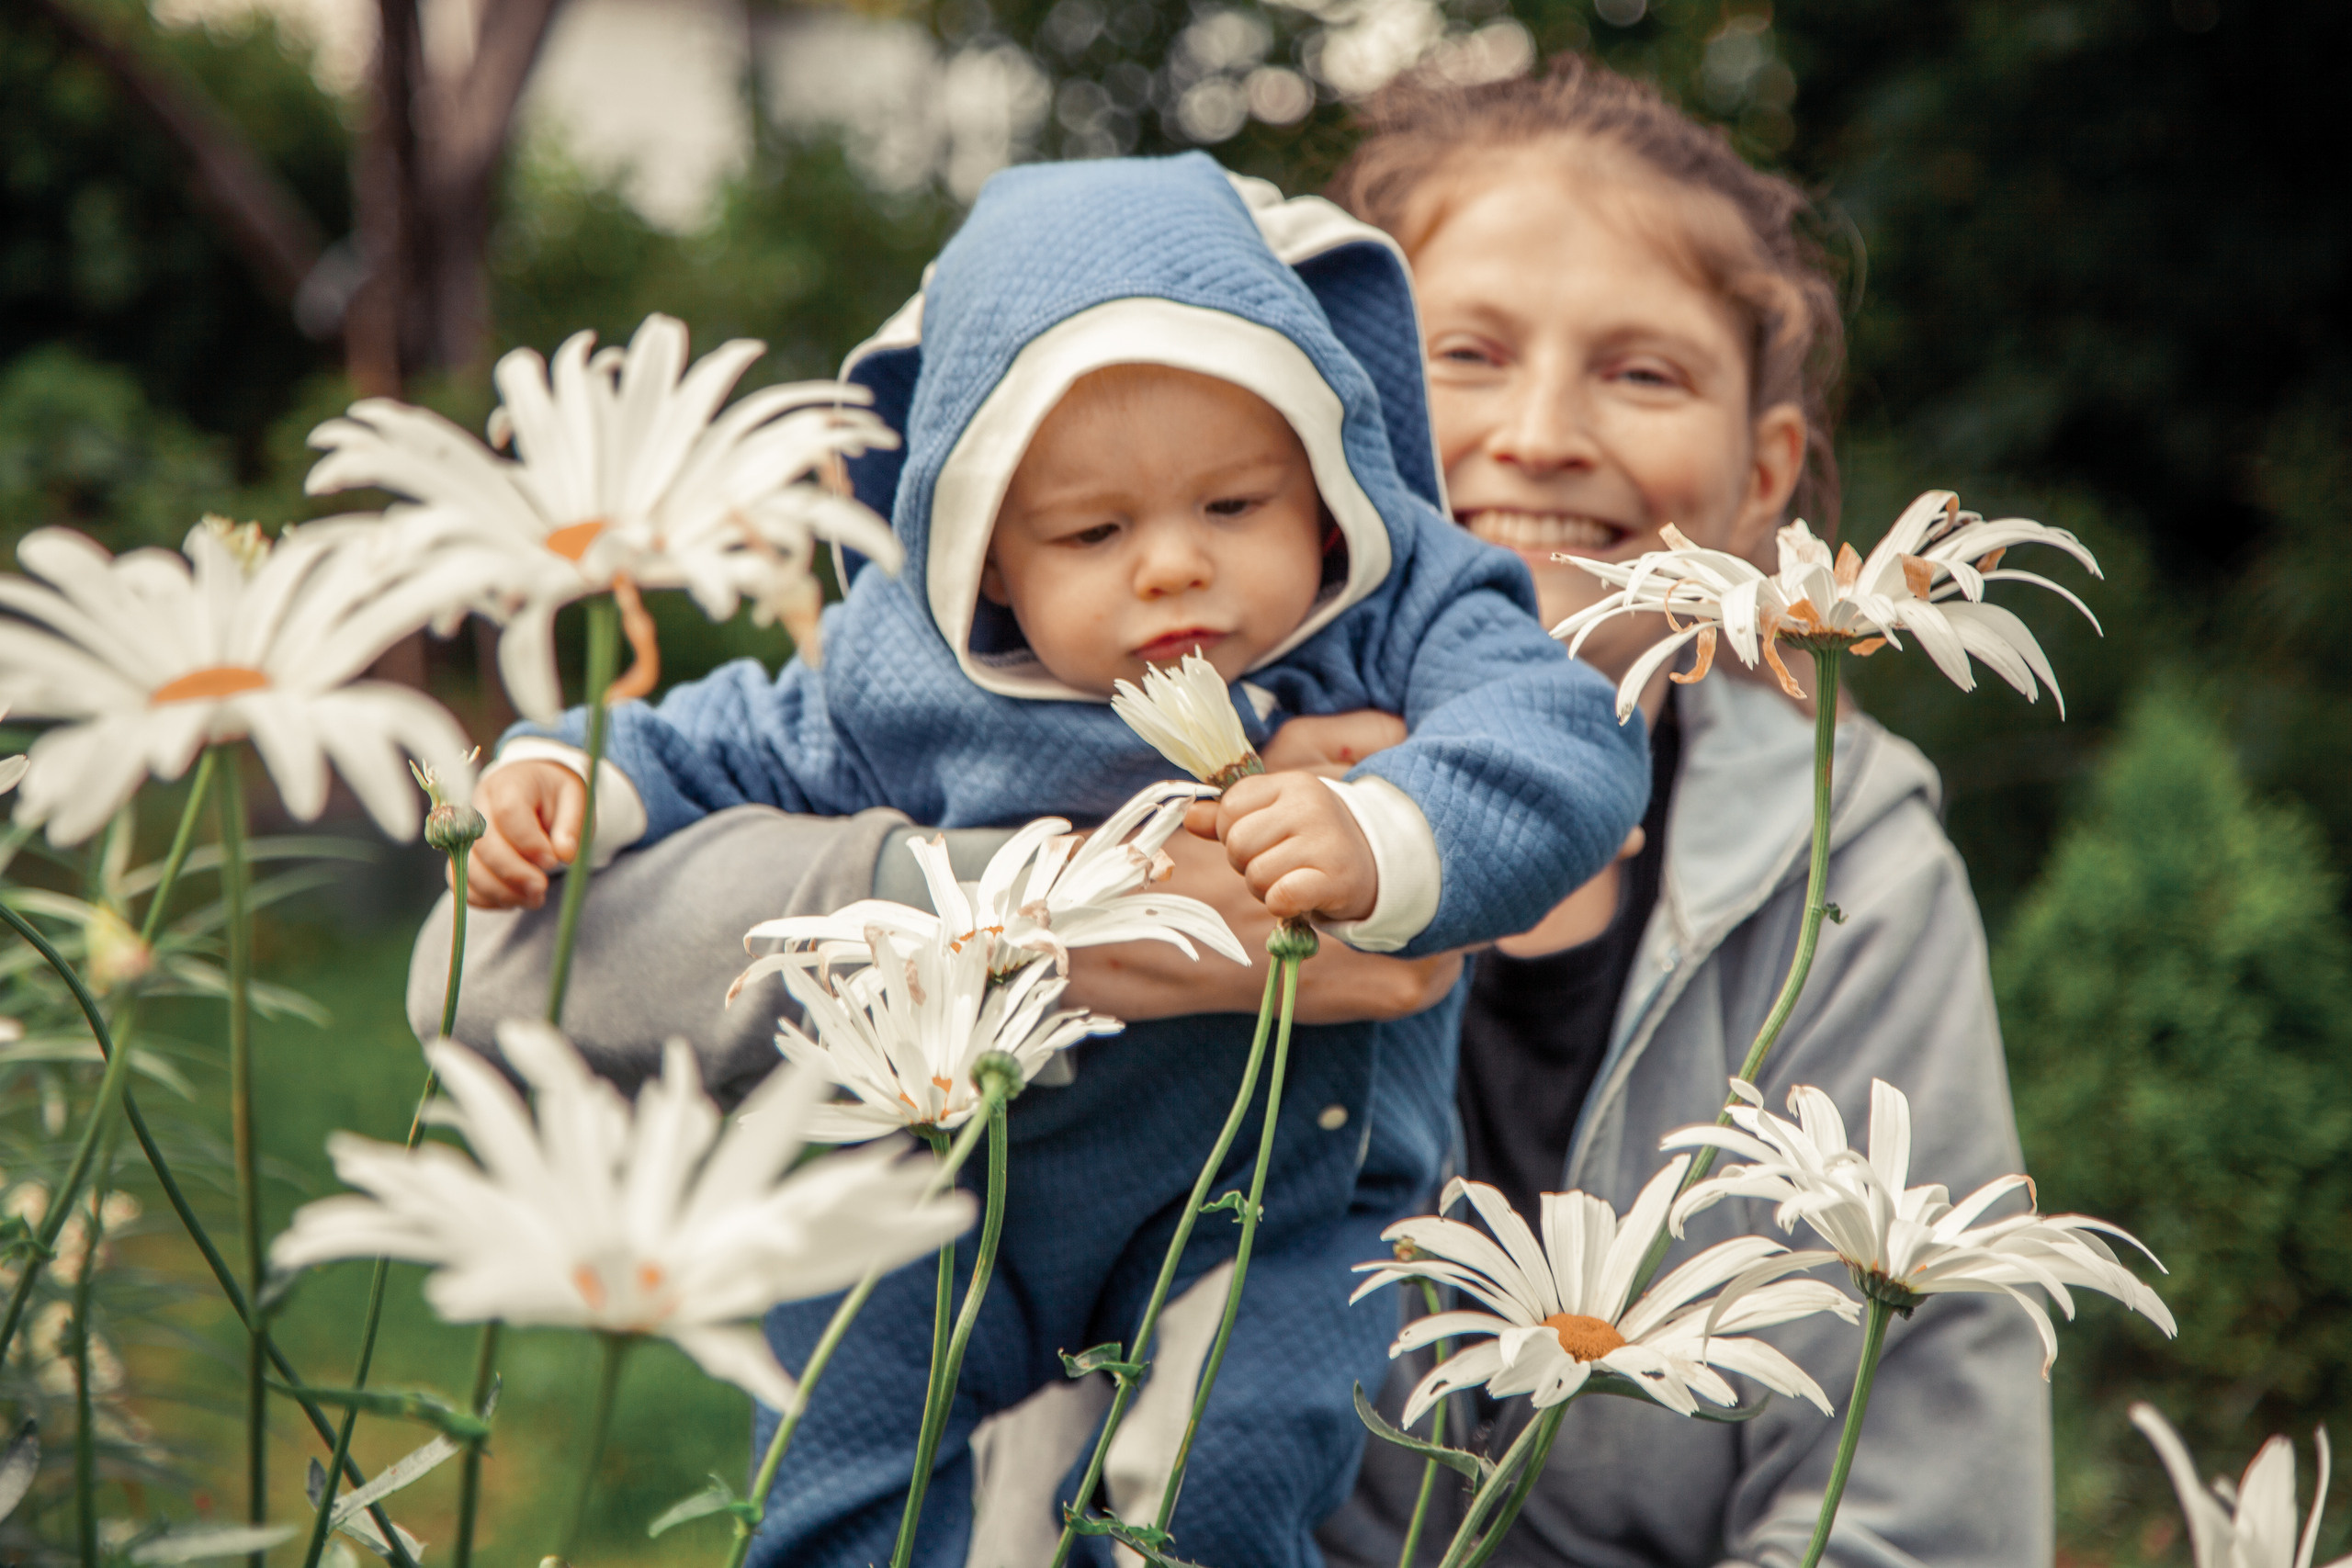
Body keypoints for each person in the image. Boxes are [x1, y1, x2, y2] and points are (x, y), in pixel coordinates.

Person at [453, 153, 1647, 1568]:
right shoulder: (897, 677)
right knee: (837, 1446)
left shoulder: (1395, 613)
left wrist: (1387, 829)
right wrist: (562, 781)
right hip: (950, 1181)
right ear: (990, 559)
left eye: (1235, 506)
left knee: (1229, 1466)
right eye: (1094, 531)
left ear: (1325, 492)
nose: (1171, 569)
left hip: (1265, 1208)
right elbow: (703, 746)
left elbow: (1567, 738)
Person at [1291, 59, 2055, 1567]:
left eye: (1643, 373)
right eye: (1466, 352)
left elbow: (1920, 1494)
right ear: (1344, 403)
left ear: (1760, 480)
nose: (1543, 433)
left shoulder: (1857, 877)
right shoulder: (1171, 771)